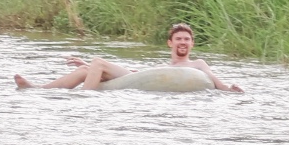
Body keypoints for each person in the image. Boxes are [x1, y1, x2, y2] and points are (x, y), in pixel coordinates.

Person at [16, 22, 241, 91]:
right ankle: (37, 89)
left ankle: (85, 98)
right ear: (170, 43)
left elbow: (214, 80)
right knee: (87, 69)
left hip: (173, 80)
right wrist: (88, 66)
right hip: (140, 77)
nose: (183, 43)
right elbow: (138, 76)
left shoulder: (197, 63)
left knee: (96, 63)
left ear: (192, 44)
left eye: (187, 40)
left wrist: (231, 90)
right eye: (179, 39)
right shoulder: (162, 66)